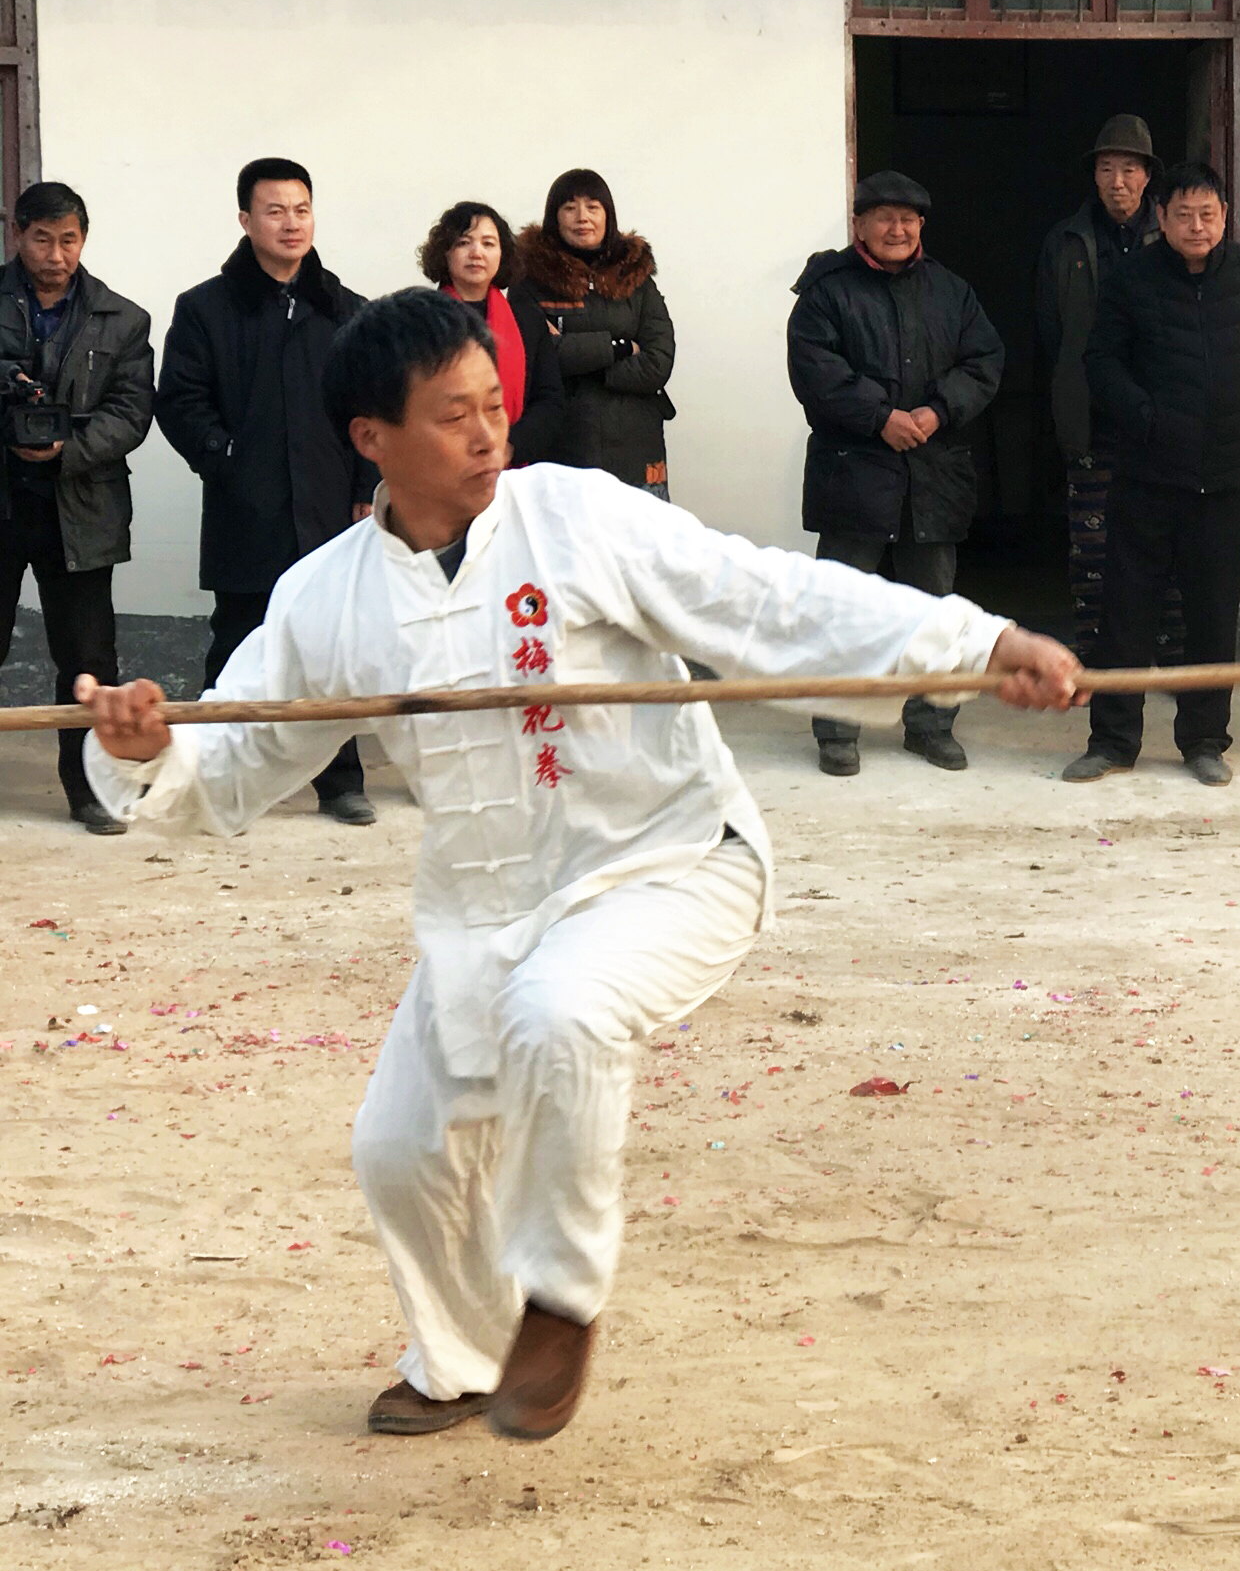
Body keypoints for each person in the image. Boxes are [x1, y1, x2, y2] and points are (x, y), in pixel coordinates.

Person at [74, 288, 1082, 1443]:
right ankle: (458, 1359)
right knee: (399, 1151)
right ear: (372, 439)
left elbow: (768, 599)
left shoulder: (579, 520)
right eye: (452, 416)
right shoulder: (328, 597)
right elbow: (240, 755)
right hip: (486, 912)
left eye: (494, 406)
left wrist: (977, 641)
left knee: (563, 1014)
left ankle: (561, 1300)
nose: (487, 435)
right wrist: (150, 745)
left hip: (665, 866)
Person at [1063, 161, 1240, 788]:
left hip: (1225, 479)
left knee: (1210, 614)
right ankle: (1113, 740)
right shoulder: (1133, 278)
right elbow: (1102, 359)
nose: (1196, 226)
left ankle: (1204, 740)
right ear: (1162, 218)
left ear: (1225, 217)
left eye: (1208, 214)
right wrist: (1143, 418)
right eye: (1182, 214)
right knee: (1126, 613)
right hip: (1147, 475)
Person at [156, 157, 378, 826]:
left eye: (301, 209)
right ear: (246, 219)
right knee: (236, 643)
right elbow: (180, 402)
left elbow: (372, 408)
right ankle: (214, 776)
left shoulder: (345, 310)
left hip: (330, 509)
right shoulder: (205, 308)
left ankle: (340, 781)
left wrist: (366, 486)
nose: (291, 223)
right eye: (275, 210)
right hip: (246, 506)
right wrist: (228, 459)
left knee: (332, 646)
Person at [786, 171, 1005, 777]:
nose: (897, 228)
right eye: (884, 217)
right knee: (841, 610)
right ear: (859, 225)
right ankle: (837, 730)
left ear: (922, 228)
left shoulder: (951, 291)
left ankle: (930, 726)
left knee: (936, 611)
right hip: (854, 473)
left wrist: (938, 411)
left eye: (909, 219)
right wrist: (879, 417)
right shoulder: (826, 292)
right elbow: (816, 371)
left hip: (933, 476)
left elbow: (985, 359)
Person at [0, 181, 154, 835]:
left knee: (89, 659)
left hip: (81, 504)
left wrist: (67, 450)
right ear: (18, 235)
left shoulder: (123, 318)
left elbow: (131, 412)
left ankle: (90, 789)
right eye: (42, 238)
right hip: (5, 499)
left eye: (68, 239)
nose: (56, 253)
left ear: (83, 241)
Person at [1036, 113, 1163, 659]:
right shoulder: (1067, 241)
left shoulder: (1171, 235)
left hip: (1158, 417)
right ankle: (1093, 658)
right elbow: (1049, 327)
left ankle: (1162, 660)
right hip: (1090, 412)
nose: (1118, 182)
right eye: (1107, 169)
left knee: (1161, 540)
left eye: (1129, 169)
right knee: (1091, 546)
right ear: (1093, 176)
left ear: (1147, 177)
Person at [509, 170, 673, 497]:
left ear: (607, 215)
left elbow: (658, 364)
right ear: (553, 217)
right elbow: (538, 358)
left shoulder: (637, 280)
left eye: (593, 206)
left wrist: (577, 358)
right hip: (563, 453)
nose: (582, 217)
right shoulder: (529, 282)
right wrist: (621, 348)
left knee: (641, 547)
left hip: (637, 453)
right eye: (569, 207)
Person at [417, 201, 564, 468]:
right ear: (445, 253)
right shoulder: (420, 319)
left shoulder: (527, 320)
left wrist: (507, 446)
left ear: (502, 254)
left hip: (514, 468)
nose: (476, 253)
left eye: (488, 243)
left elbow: (550, 400)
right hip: (441, 465)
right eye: (464, 243)